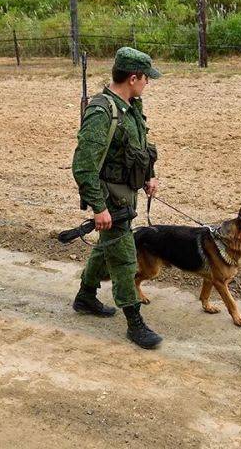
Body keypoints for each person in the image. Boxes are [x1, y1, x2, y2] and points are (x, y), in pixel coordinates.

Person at [70, 47, 163, 349]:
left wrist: (149, 176)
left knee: (107, 247)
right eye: (146, 78)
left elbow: (140, 147)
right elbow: (84, 165)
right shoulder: (101, 113)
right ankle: (134, 322)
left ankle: (85, 296)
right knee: (124, 258)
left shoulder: (132, 106)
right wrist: (98, 208)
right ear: (133, 78)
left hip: (127, 194)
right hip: (109, 198)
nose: (148, 83)